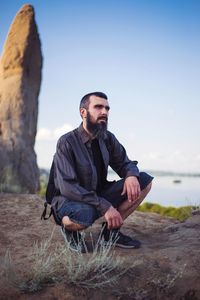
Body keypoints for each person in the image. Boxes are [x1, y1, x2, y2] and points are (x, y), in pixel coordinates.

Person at [51, 92, 153, 252]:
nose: (104, 112)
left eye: (107, 108)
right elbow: (68, 188)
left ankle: (110, 234)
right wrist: (105, 206)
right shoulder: (66, 142)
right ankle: (69, 229)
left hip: (97, 194)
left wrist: (131, 175)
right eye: (98, 107)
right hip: (69, 200)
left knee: (144, 181)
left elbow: (125, 163)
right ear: (83, 112)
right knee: (84, 215)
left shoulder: (107, 138)